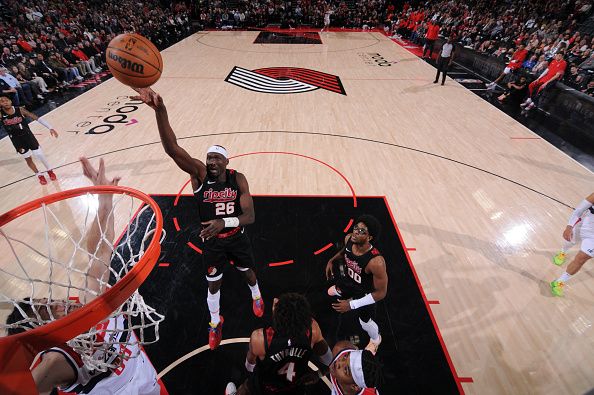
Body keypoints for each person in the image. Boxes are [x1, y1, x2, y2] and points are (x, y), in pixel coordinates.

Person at [5, 157, 160, 394]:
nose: (58, 304)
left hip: (148, 380)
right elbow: (26, 384)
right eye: (48, 313)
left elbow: (101, 251)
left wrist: (104, 201)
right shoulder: (58, 360)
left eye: (48, 301)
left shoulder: (91, 305)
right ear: (44, 339)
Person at [132, 87, 264, 350]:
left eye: (216, 157)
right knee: (213, 284)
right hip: (213, 244)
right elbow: (173, 149)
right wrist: (161, 110)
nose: (211, 161)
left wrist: (222, 223)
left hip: (235, 237)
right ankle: (215, 322)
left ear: (226, 161)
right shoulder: (200, 176)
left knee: (248, 273)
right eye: (208, 157)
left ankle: (256, 295)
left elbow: (249, 215)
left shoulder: (238, 179)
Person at [225, 293, 334, 395]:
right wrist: (318, 374)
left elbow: (250, 365)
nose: (275, 301)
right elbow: (330, 361)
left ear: (277, 316)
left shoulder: (261, 338)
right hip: (295, 386)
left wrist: (251, 376)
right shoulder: (312, 330)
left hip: (266, 385)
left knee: (246, 387)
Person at [325, 215, 387, 355]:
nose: (356, 233)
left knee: (364, 322)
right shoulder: (349, 239)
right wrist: (331, 260)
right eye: (355, 228)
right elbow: (344, 252)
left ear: (369, 238)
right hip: (349, 281)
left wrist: (351, 305)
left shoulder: (376, 262)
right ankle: (341, 290)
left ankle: (376, 339)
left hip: (365, 292)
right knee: (332, 291)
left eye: (362, 231)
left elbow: (381, 293)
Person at [0, 95, 58, 185]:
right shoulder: (1, 114)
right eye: (2, 101)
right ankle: (39, 175)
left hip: (28, 136)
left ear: (10, 101)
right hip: (16, 140)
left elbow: (35, 117)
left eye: (6, 100)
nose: (5, 102)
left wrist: (50, 127)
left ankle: (50, 171)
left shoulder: (20, 110)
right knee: (28, 159)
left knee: (40, 155)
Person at [550, 192, 594, 296]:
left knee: (582, 258)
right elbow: (579, 210)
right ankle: (562, 252)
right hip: (584, 226)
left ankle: (559, 282)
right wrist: (569, 226)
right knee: (570, 241)